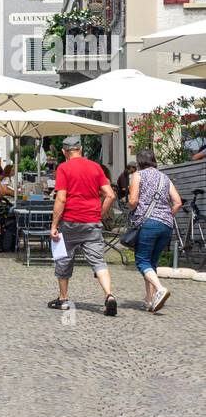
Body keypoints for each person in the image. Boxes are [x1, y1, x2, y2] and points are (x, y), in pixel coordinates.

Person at [49, 135, 117, 315]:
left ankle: (63, 298)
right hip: (92, 223)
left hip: (70, 222)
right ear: (81, 150)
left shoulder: (63, 168)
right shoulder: (95, 167)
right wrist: (99, 214)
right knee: (98, 261)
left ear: (64, 152)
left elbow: (61, 198)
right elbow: (110, 195)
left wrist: (54, 225)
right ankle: (109, 295)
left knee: (63, 258)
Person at [127, 148, 182, 312]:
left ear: (139, 162)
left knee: (142, 261)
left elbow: (133, 201)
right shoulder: (165, 178)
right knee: (151, 263)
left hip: (148, 224)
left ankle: (160, 288)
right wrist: (166, 216)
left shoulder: (138, 175)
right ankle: (150, 300)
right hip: (166, 225)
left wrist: (130, 205)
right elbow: (178, 202)